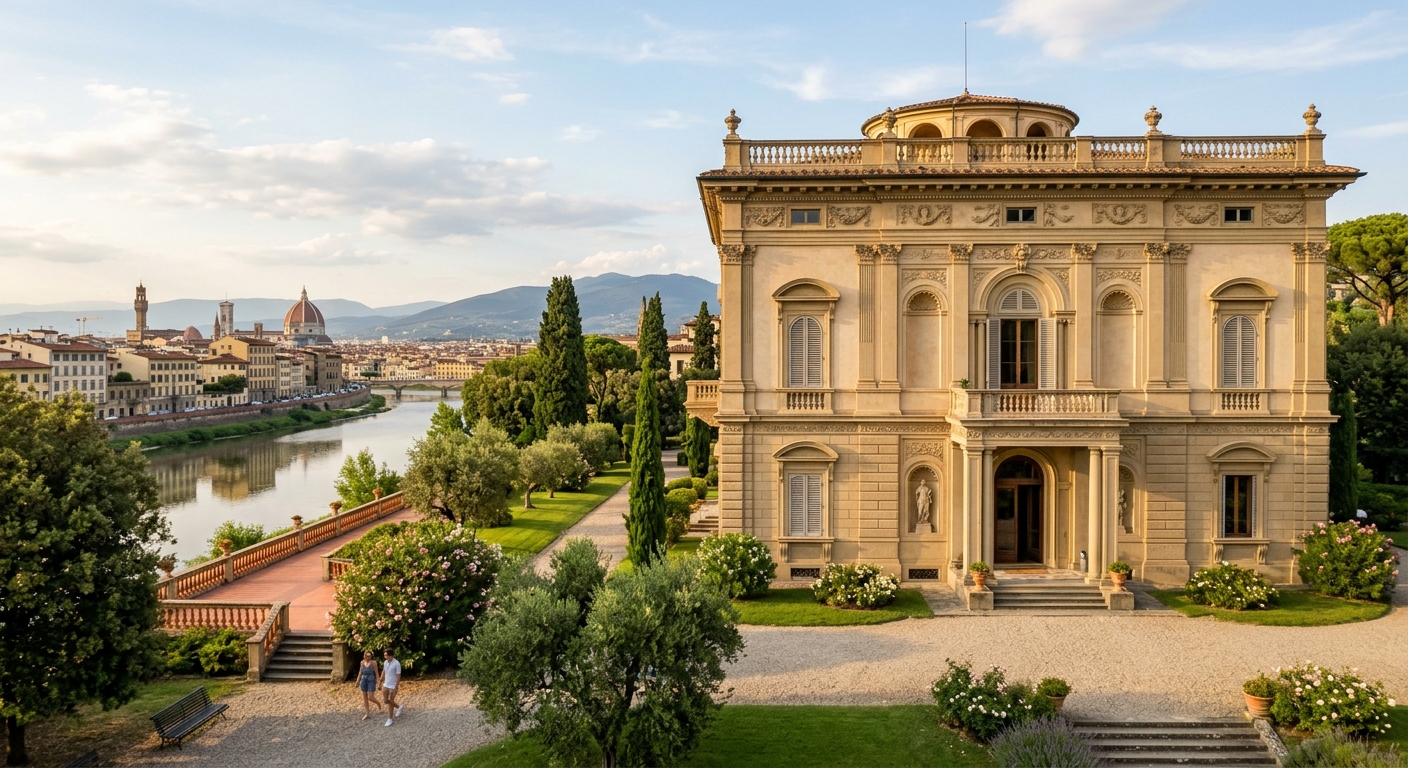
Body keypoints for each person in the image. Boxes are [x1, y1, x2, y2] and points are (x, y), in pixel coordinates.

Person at [357, 651, 382, 721]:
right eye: (367, 656)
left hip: (371, 680)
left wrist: (378, 682)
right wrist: (357, 681)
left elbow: (376, 673)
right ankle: (367, 713)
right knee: (364, 697)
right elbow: (360, 672)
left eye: (369, 656)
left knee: (370, 697)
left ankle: (378, 704)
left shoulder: (374, 663)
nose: (368, 657)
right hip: (363, 680)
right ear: (364, 656)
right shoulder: (362, 662)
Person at [382, 649, 403, 726]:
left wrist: (396, 687)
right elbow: (384, 671)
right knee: (385, 700)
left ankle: (389, 719)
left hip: (393, 685)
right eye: (385, 655)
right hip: (386, 684)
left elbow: (398, 676)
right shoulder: (385, 662)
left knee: (391, 701)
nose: (385, 657)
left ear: (390, 655)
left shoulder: (396, 663)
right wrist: (380, 680)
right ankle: (399, 707)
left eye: (386, 655)